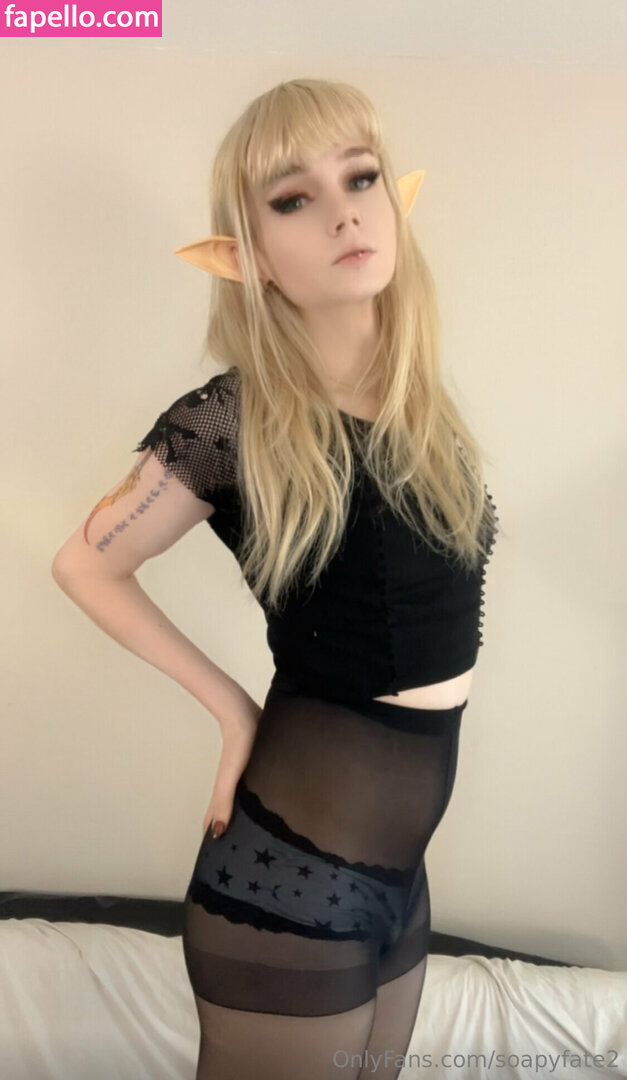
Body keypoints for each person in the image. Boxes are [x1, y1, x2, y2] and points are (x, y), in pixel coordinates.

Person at [52, 78, 499, 1080]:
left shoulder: (417, 405)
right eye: (293, 198)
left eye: (361, 177)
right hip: (290, 884)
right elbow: (86, 564)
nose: (343, 212)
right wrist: (232, 712)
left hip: (400, 878)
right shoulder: (232, 420)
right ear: (245, 256)